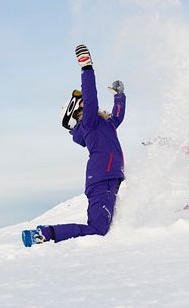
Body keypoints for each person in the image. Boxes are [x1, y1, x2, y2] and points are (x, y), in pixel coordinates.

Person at [22, 44, 126, 247]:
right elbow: (91, 96)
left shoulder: (104, 124)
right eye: (83, 106)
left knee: (105, 228)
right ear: (77, 113)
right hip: (101, 180)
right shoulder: (89, 123)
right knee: (98, 229)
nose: (88, 106)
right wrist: (86, 67)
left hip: (108, 179)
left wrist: (119, 95)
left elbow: (118, 116)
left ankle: (45, 233)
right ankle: (43, 234)